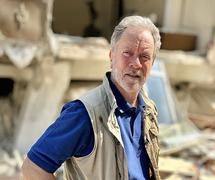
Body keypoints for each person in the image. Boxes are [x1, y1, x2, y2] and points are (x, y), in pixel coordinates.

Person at [21, 15, 161, 180]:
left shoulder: (148, 111)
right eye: (127, 53)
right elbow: (33, 168)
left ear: (152, 63)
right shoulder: (85, 113)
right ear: (112, 56)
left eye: (144, 57)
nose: (136, 64)